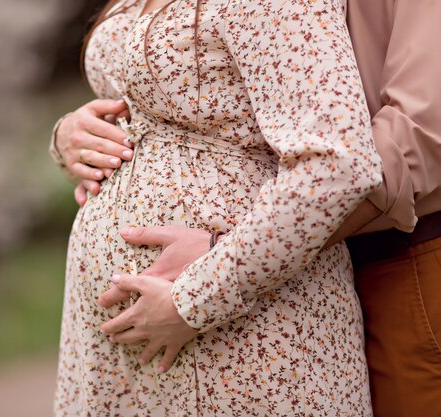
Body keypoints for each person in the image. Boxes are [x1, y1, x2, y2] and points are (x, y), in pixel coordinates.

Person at [56, 0, 441, 416]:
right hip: (250, 273)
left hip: (399, 255)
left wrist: (222, 263)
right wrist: (70, 137)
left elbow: (417, 127)